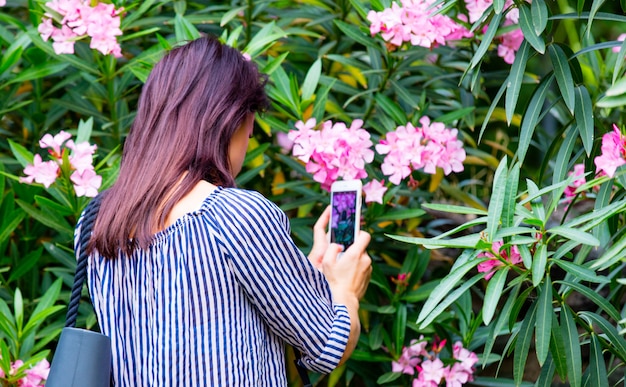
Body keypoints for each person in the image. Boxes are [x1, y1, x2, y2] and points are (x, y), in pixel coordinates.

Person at [76, 35, 372, 386]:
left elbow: (195, 312)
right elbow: (327, 345)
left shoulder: (97, 220)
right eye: (250, 127)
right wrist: (346, 290)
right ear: (232, 121)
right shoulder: (235, 215)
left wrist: (305, 276)